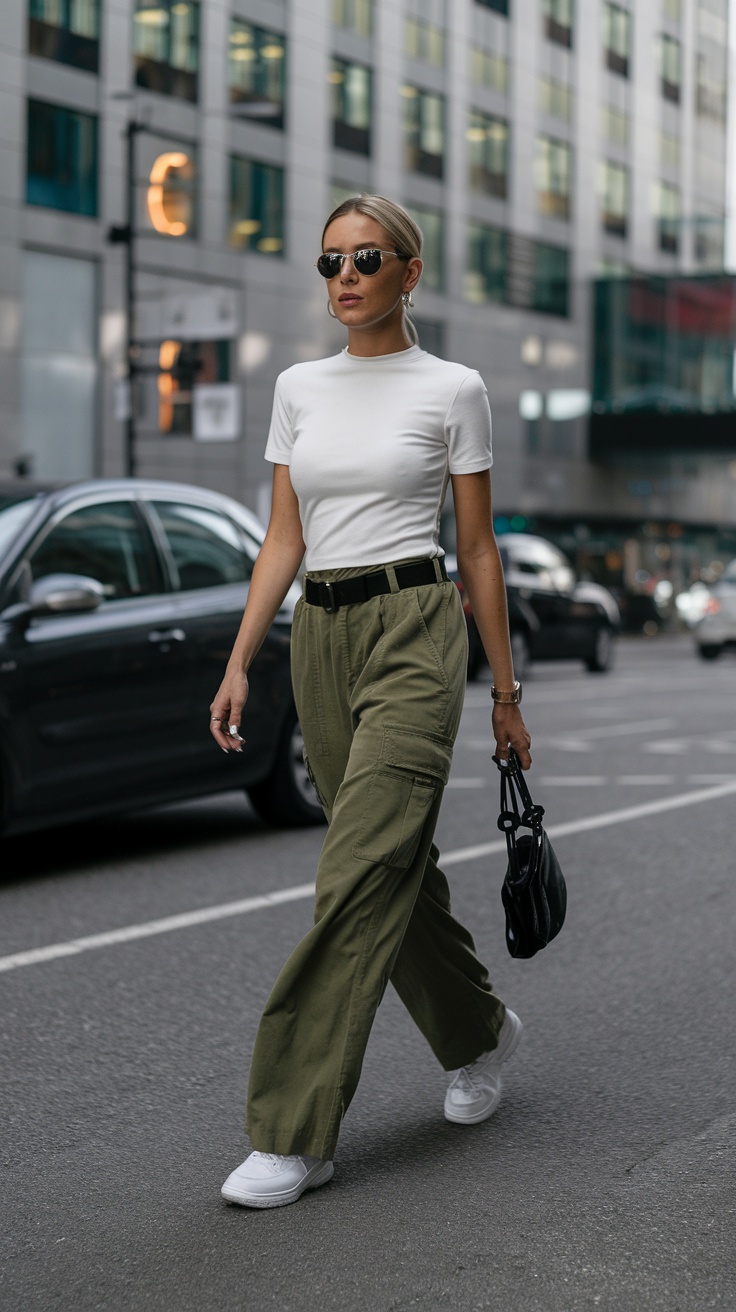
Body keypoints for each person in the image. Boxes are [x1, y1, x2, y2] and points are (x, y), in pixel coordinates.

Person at [210, 194, 532, 1210]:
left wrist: (505, 693)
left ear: (409, 271)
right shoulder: (299, 387)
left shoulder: (453, 389)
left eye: (366, 257)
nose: (344, 275)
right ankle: (478, 1029)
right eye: (329, 261)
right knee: (391, 862)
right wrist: (238, 657)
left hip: (412, 625)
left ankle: (293, 1131)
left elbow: (474, 548)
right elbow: (282, 538)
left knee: (350, 874)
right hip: (322, 636)